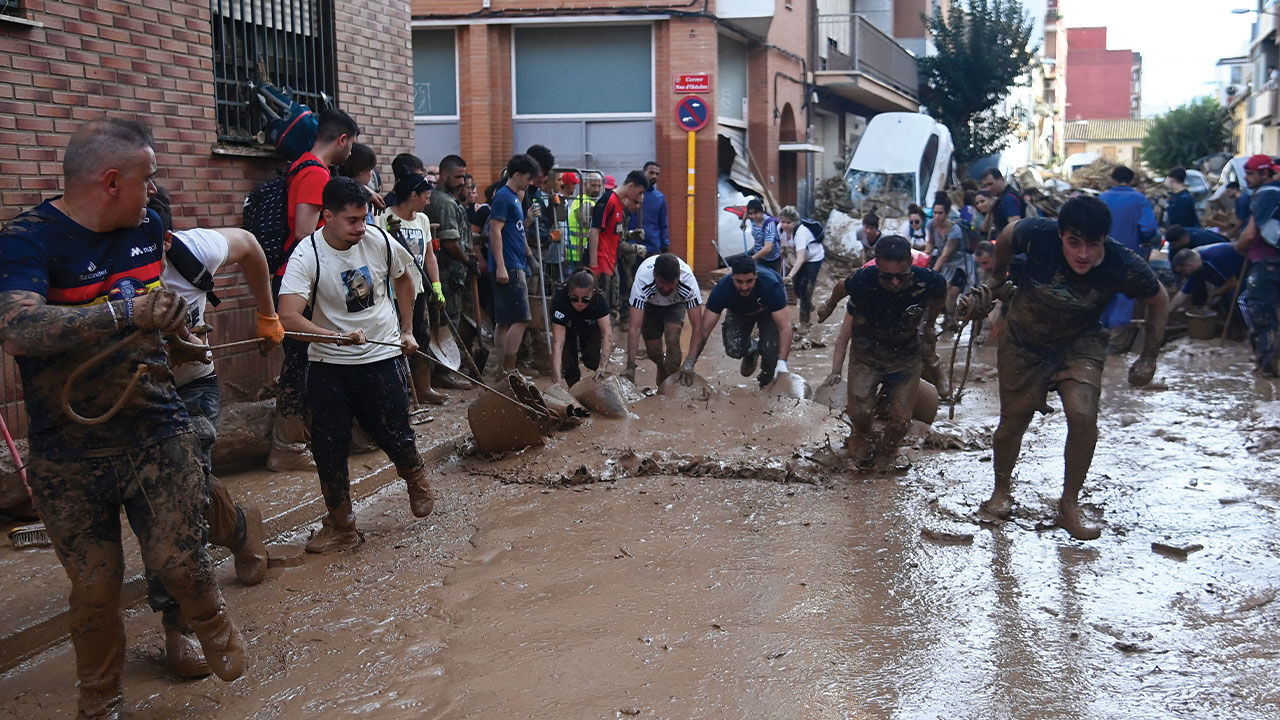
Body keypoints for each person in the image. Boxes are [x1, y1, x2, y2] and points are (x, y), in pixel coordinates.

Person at [0, 118, 245, 718]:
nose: (155, 191)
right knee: (94, 588)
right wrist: (124, 315)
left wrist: (180, 335)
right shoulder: (27, 240)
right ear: (111, 181)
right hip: (68, 449)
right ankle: (99, 701)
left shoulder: (148, 230)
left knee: (178, 563)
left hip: (157, 431)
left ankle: (206, 618)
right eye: (148, 178)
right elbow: (16, 330)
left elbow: (151, 323)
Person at [965, 197, 1169, 540]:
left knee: (1083, 414)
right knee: (1012, 423)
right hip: (1023, 339)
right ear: (1060, 236)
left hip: (1079, 341)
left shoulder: (1123, 264)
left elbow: (1159, 300)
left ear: (1105, 240)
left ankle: (1069, 504)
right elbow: (1008, 235)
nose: (1083, 254)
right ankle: (1001, 491)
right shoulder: (1036, 234)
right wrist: (998, 279)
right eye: (1074, 243)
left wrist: (1149, 355)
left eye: (1093, 244)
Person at [146, 190, 277, 679]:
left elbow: (248, 243)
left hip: (192, 388)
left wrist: (267, 313)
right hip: (133, 398)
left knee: (176, 501)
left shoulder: (193, 249)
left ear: (163, 240)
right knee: (174, 496)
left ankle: (178, 628)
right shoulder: (98, 261)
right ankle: (240, 529)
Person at [278, 177, 436, 553]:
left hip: (381, 356)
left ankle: (415, 478)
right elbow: (288, 317)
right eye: (351, 221)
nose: (360, 228)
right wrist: (333, 336)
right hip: (329, 363)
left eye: (364, 218)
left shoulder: (378, 240)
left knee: (394, 431)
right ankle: (341, 523)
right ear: (327, 217)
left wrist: (408, 329)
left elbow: (405, 280)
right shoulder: (308, 254)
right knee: (328, 448)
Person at [270, 108, 361, 471]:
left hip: (303, 278)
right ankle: (287, 446)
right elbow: (308, 232)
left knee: (310, 362)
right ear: (341, 140)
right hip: (299, 282)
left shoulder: (306, 168)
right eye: (351, 145)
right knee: (298, 362)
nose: (351, 153)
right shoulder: (314, 174)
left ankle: (307, 437)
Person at [826, 236, 944, 470]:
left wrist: (929, 324)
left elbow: (940, 297)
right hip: (867, 354)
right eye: (886, 276)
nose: (895, 282)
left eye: (901, 276)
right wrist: (828, 306)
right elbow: (840, 287)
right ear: (876, 265)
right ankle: (861, 437)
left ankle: (887, 453)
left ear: (910, 262)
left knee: (900, 421)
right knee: (860, 413)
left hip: (905, 356)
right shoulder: (863, 281)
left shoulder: (928, 281)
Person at [378, 172, 447, 404]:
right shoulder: (385, 217)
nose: (428, 202)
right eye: (425, 197)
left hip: (417, 289)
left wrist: (436, 286)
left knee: (422, 337)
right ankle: (399, 392)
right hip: (392, 292)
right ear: (413, 195)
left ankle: (423, 387)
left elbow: (429, 256)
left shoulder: (422, 220)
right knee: (395, 340)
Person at [678, 254, 792, 388]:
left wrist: (782, 363)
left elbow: (785, 327)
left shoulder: (771, 285)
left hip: (768, 311)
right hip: (739, 311)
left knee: (770, 350)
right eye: (739, 281)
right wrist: (690, 361)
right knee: (733, 348)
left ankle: (765, 386)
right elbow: (703, 330)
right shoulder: (722, 289)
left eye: (749, 281)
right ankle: (751, 349)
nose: (744, 287)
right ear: (732, 277)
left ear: (756, 276)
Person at [424, 154, 479, 387]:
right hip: (446, 272)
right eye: (457, 176)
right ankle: (441, 372)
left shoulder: (448, 199)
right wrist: (468, 261)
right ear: (444, 175)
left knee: (449, 320)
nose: (461, 181)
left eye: (463, 176)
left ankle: (446, 367)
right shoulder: (444, 203)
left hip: (451, 273)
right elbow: (450, 242)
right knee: (445, 321)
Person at [489, 153, 540, 375]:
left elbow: (516, 232)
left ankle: (503, 369)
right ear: (517, 175)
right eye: (528, 179)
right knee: (521, 319)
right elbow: (495, 231)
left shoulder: (514, 199)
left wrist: (529, 256)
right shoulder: (503, 196)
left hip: (515, 262)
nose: (530, 184)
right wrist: (501, 266)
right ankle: (509, 369)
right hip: (509, 265)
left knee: (504, 322)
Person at [1098, 165, 1160, 342]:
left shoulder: (1102, 198)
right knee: (1124, 295)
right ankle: (1116, 343)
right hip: (1128, 255)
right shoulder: (1139, 200)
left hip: (1101, 255)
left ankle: (1098, 339)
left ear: (1112, 180)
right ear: (1132, 180)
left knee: (1102, 293)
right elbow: (1148, 229)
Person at [624, 252, 704, 385]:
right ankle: (661, 365)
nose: (666, 288)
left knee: (672, 336)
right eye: (662, 282)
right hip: (650, 305)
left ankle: (671, 383)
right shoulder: (643, 281)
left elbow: (697, 327)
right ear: (655, 274)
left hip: (675, 303)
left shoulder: (688, 282)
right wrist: (630, 366)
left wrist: (690, 362)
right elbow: (634, 327)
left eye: (671, 283)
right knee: (654, 352)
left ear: (678, 278)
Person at [1234, 154, 1280, 378]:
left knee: (1260, 314)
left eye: (1251, 173)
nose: (1246, 177)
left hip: (1266, 264)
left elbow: (1250, 234)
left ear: (1265, 173)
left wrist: (1238, 246)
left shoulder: (1264, 195)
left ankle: (1267, 368)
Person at [589, 170, 646, 317]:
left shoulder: (618, 205)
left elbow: (614, 235)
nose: (639, 198)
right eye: (639, 193)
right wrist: (594, 265)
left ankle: (606, 338)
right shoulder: (607, 201)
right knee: (599, 308)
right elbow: (594, 231)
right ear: (631, 186)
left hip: (610, 264)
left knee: (609, 306)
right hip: (602, 264)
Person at [550, 269, 613, 387]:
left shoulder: (599, 301)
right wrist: (556, 379)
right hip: (567, 326)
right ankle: (574, 389)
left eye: (585, 299)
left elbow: (607, 333)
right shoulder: (560, 300)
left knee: (592, 360)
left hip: (590, 326)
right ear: (569, 292)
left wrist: (603, 366)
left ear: (592, 293)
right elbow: (558, 343)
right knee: (569, 365)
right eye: (574, 298)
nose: (579, 303)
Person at [925, 193, 972, 323]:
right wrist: (924, 257)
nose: (937, 216)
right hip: (945, 265)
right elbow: (931, 243)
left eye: (940, 213)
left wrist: (933, 272)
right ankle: (948, 319)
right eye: (934, 213)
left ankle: (952, 321)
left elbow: (945, 254)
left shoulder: (954, 230)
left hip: (960, 265)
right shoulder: (931, 224)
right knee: (941, 293)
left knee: (952, 294)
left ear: (946, 213)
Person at [780, 206, 824, 326]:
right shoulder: (780, 230)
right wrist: (783, 250)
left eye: (789, 222)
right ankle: (808, 303)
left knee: (805, 289)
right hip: (798, 258)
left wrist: (789, 276)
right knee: (797, 290)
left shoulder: (800, 233)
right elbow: (784, 245)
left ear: (795, 222)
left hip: (813, 258)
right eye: (783, 222)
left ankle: (804, 322)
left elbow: (800, 259)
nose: (785, 225)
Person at [1169, 243, 1245, 314]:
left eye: (1183, 271)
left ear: (1190, 266)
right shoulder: (1196, 269)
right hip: (1232, 278)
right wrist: (1167, 312)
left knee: (1233, 300)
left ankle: (1243, 326)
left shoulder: (1215, 258)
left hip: (1247, 271)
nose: (1184, 275)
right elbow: (1183, 294)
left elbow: (1233, 283)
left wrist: (1214, 293)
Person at [631, 161, 670, 256]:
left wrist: (664, 244)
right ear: (643, 172)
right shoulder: (631, 193)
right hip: (632, 246)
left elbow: (663, 223)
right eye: (651, 173)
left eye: (657, 174)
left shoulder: (659, 198)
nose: (654, 176)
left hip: (652, 247)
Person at [980, 167, 1024, 233]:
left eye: (990, 184)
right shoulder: (1001, 198)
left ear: (1001, 179)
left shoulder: (1008, 199)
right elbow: (984, 229)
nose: (988, 188)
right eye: (985, 186)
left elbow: (1015, 229)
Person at [746, 197, 783, 274]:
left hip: (772, 259)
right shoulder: (753, 219)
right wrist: (743, 222)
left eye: (755, 213)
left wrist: (752, 258)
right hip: (759, 256)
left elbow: (767, 248)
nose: (753, 216)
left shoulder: (769, 224)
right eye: (751, 214)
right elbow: (746, 213)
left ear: (761, 211)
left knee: (771, 280)